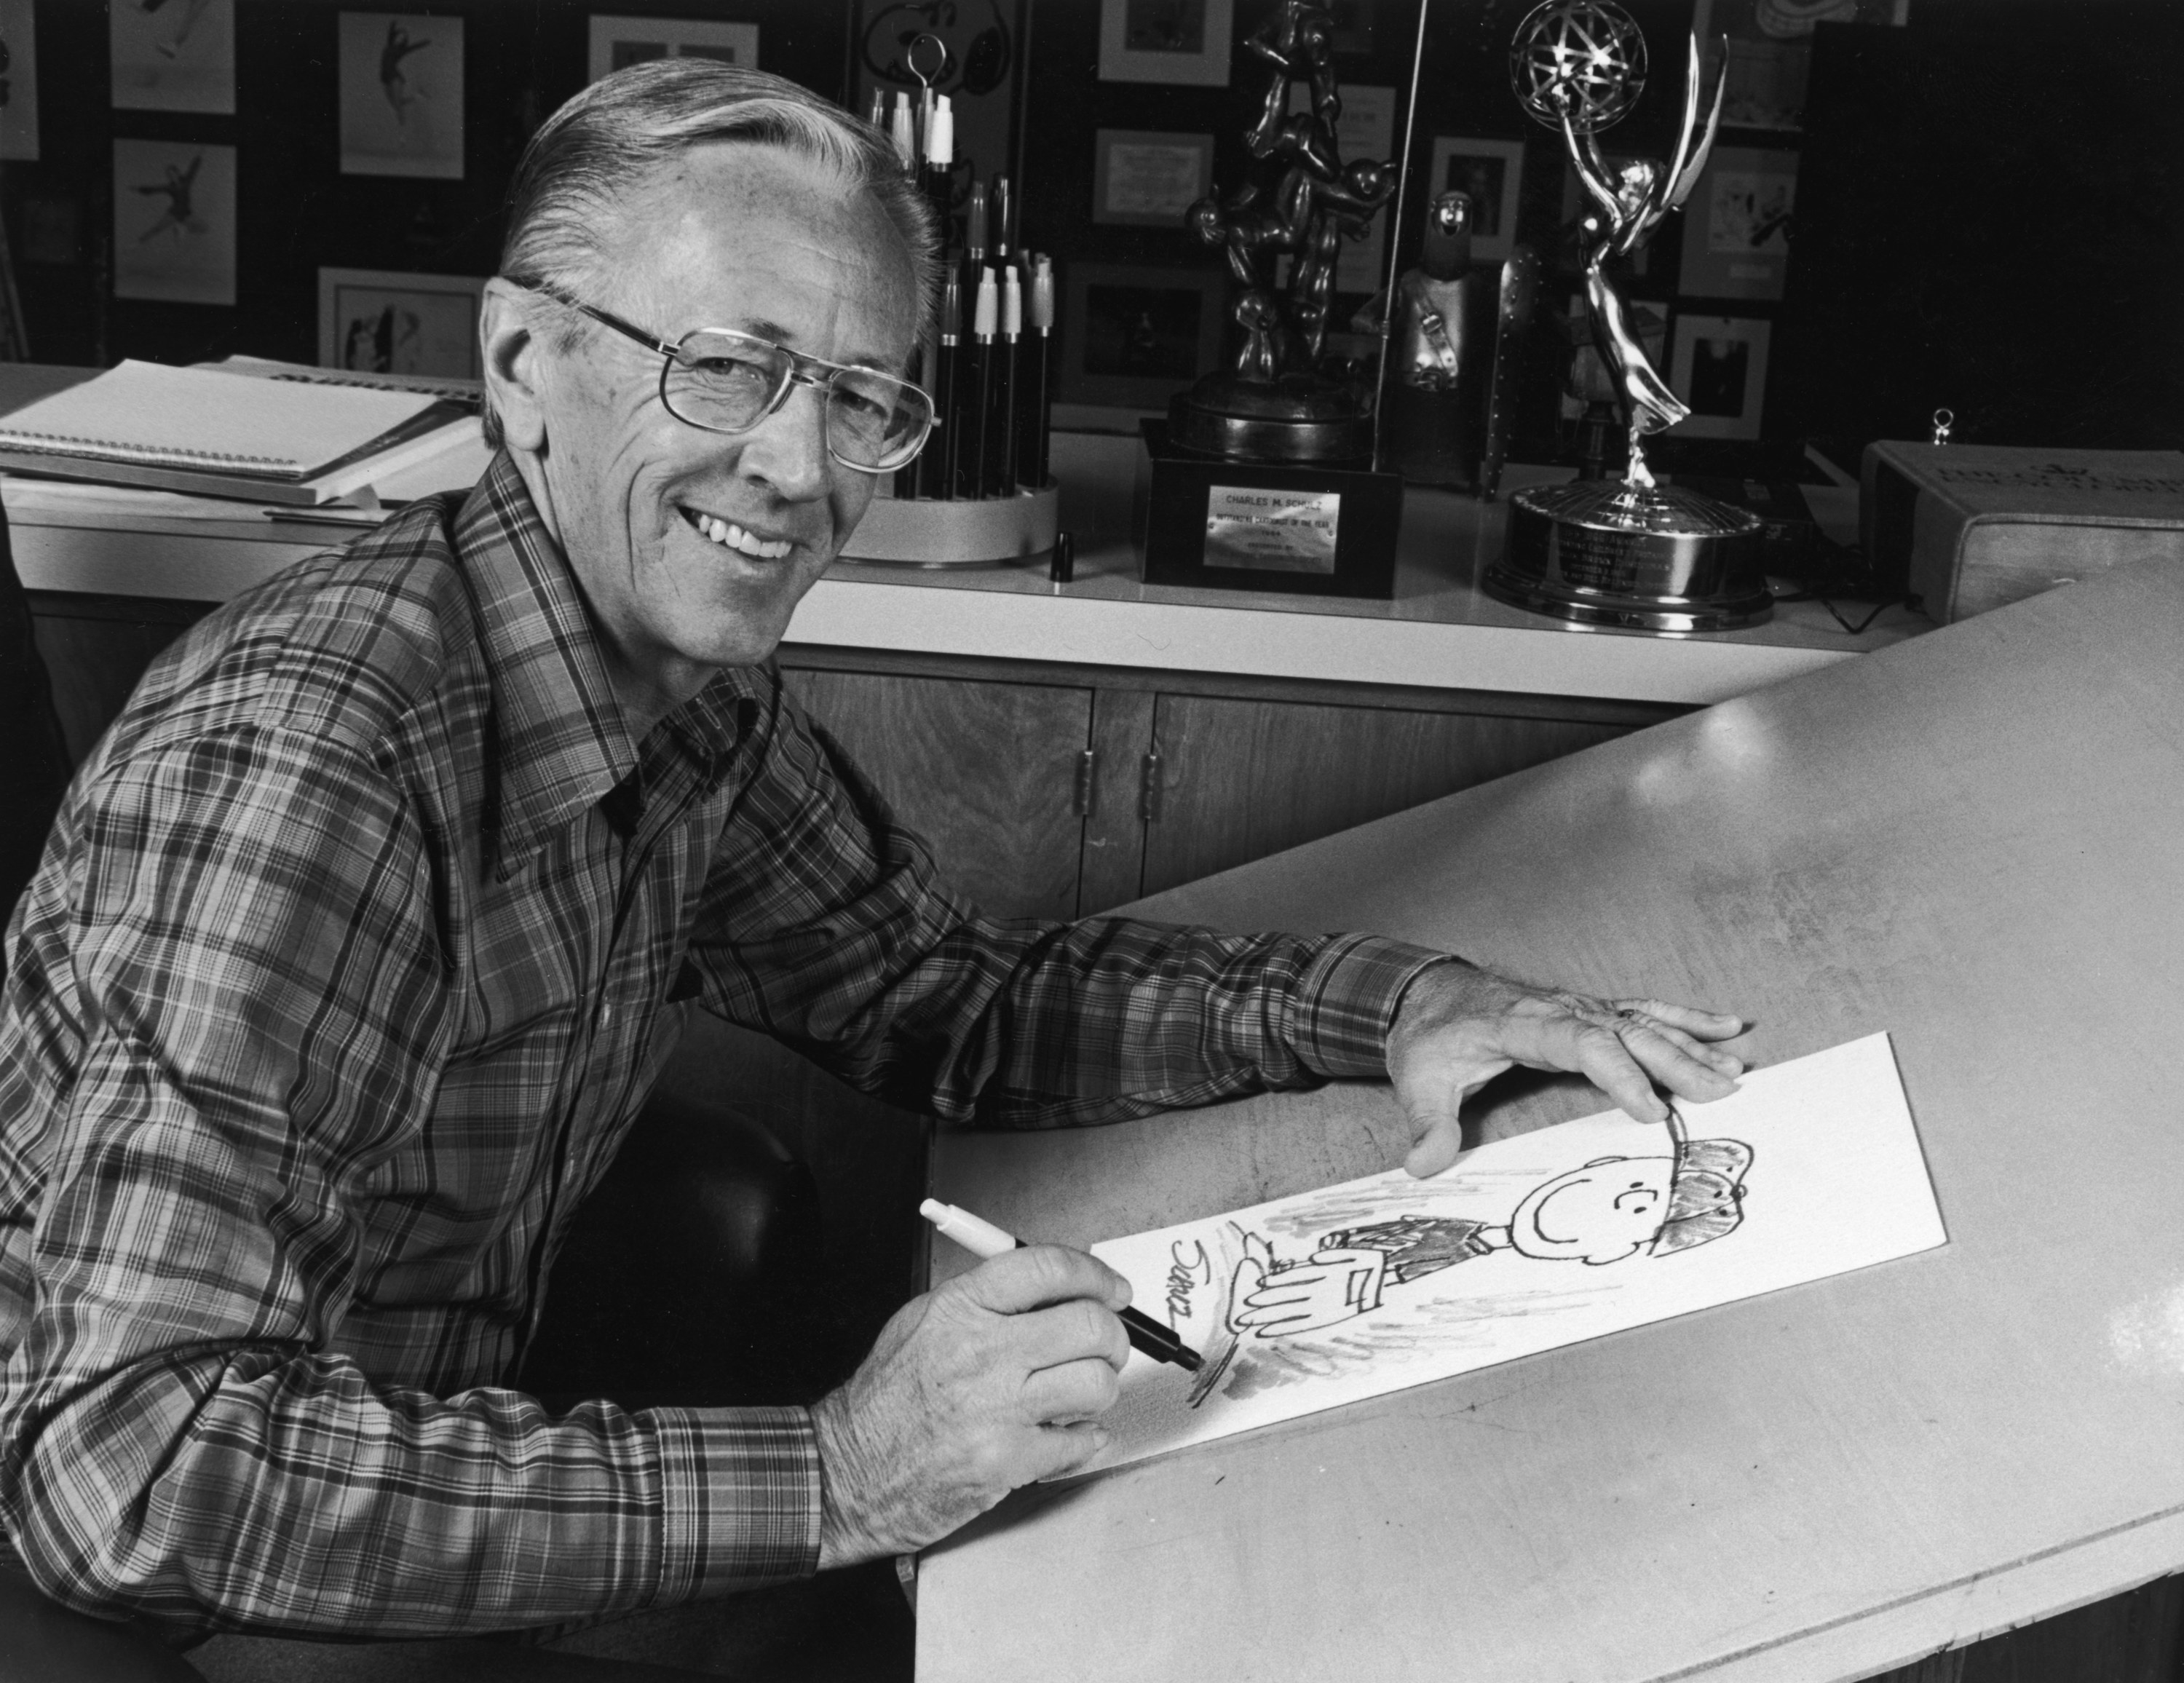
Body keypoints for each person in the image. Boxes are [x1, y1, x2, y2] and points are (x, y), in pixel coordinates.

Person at [0, 61, 1744, 1658]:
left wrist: (1404, 1007)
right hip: (146, 1565)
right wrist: (844, 1471)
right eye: (728, 366)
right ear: (525, 366)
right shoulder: (321, 758)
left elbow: (944, 1000)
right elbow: (127, 1471)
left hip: (404, 1418)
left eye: (858, 397)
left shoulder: (672, 690)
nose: (797, 464)